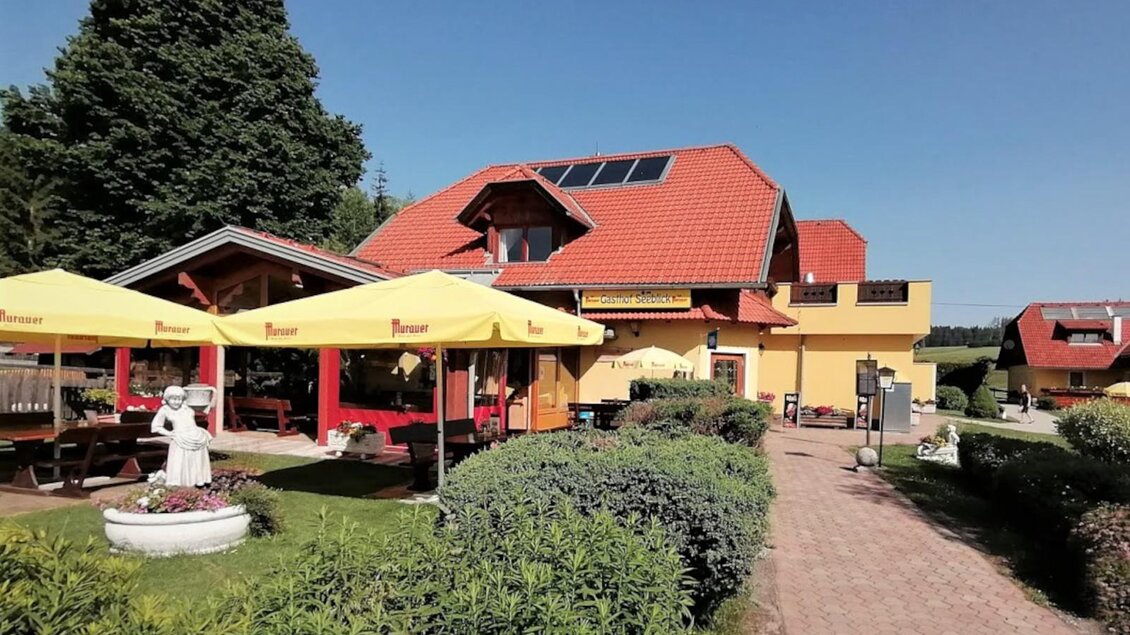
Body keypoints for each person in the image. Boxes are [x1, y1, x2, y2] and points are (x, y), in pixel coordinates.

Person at [150, 385, 212, 486]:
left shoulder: (187, 409)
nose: (177, 402)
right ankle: (179, 482)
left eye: (179, 399)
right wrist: (169, 433)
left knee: (195, 460)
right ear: (167, 399)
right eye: (173, 399)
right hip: (180, 438)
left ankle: (197, 480)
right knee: (179, 461)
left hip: (196, 436)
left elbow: (207, 409)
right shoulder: (165, 410)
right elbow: (156, 426)